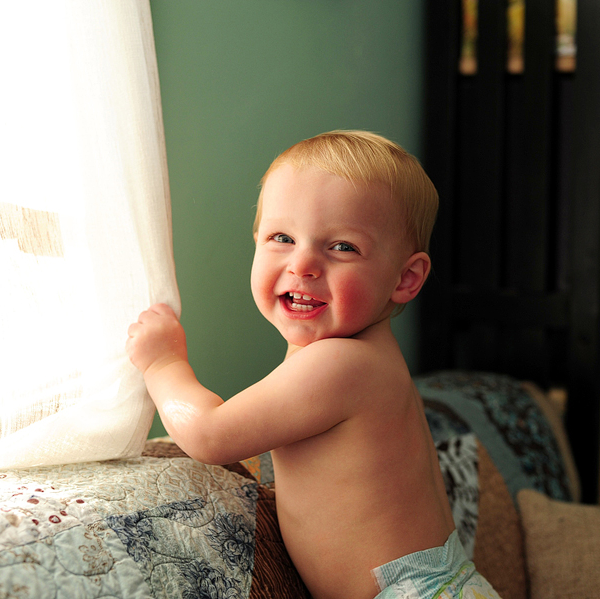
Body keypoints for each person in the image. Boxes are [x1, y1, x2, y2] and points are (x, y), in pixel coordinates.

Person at [126, 131, 500, 599]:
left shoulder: (345, 364)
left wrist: (163, 363)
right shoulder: (363, 358)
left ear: (405, 278)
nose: (303, 263)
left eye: (342, 246)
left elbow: (209, 435)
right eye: (282, 237)